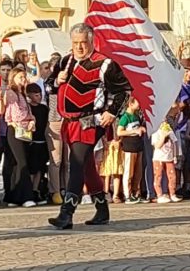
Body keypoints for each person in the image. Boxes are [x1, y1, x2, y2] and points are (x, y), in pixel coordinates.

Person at [49, 24, 131, 229]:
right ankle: (102, 209)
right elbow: (49, 86)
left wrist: (112, 112)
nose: (79, 47)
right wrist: (56, 81)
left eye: (83, 43)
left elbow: (124, 90)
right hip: (69, 122)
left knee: (76, 162)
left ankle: (66, 213)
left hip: (90, 122)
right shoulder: (65, 61)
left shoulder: (105, 64)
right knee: (86, 166)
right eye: (75, 42)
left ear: (91, 41)